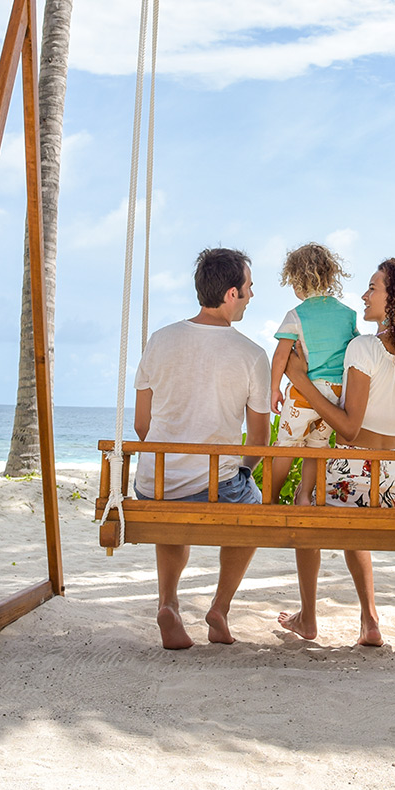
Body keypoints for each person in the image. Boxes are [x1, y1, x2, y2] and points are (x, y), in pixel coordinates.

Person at [275, 257, 395, 647]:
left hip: (354, 476)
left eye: (373, 288)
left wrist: (300, 378)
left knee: (306, 505)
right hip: (393, 484)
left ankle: (308, 617)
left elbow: (349, 426)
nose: (364, 296)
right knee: (356, 515)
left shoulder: (363, 347)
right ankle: (369, 618)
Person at [132, 247, 271, 649]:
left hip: (152, 483)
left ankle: (169, 604)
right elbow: (258, 442)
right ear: (232, 294)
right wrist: (242, 470)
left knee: (171, 493)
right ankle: (220, 609)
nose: (250, 296)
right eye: (249, 288)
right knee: (252, 506)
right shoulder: (251, 355)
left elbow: (142, 425)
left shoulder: (159, 340)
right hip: (214, 487)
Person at [268, 243, 359, 505]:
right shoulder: (348, 315)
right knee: (317, 448)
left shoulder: (296, 315)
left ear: (297, 281)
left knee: (286, 445)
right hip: (336, 395)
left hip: (304, 393)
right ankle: (304, 496)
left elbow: (281, 355)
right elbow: (356, 351)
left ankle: (271, 497)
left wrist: (274, 388)